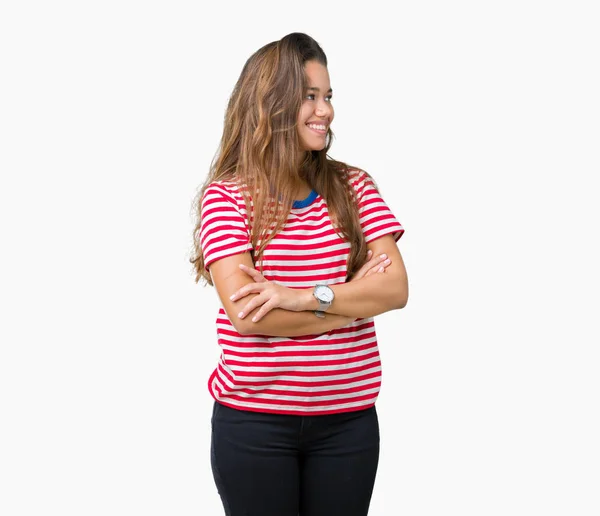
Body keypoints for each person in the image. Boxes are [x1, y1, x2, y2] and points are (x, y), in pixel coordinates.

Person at [190, 32, 408, 516]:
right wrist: (348, 301)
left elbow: (395, 289)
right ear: (270, 104)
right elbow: (248, 315)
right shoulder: (226, 198)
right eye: (309, 96)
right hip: (254, 427)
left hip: (348, 425)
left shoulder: (353, 186)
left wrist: (301, 296)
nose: (325, 110)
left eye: (327, 96)